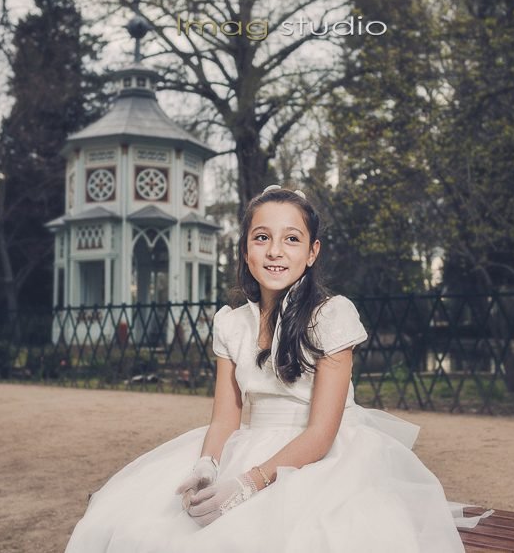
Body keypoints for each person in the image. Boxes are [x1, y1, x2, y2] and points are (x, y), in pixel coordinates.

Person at [65, 185, 489, 553]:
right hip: (251, 441)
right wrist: (208, 464)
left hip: (324, 454)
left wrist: (248, 484)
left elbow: (321, 432)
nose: (274, 251)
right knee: (143, 528)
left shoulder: (331, 315)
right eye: (262, 237)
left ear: (312, 252)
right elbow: (225, 418)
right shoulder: (231, 324)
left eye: (291, 239)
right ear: (245, 250)